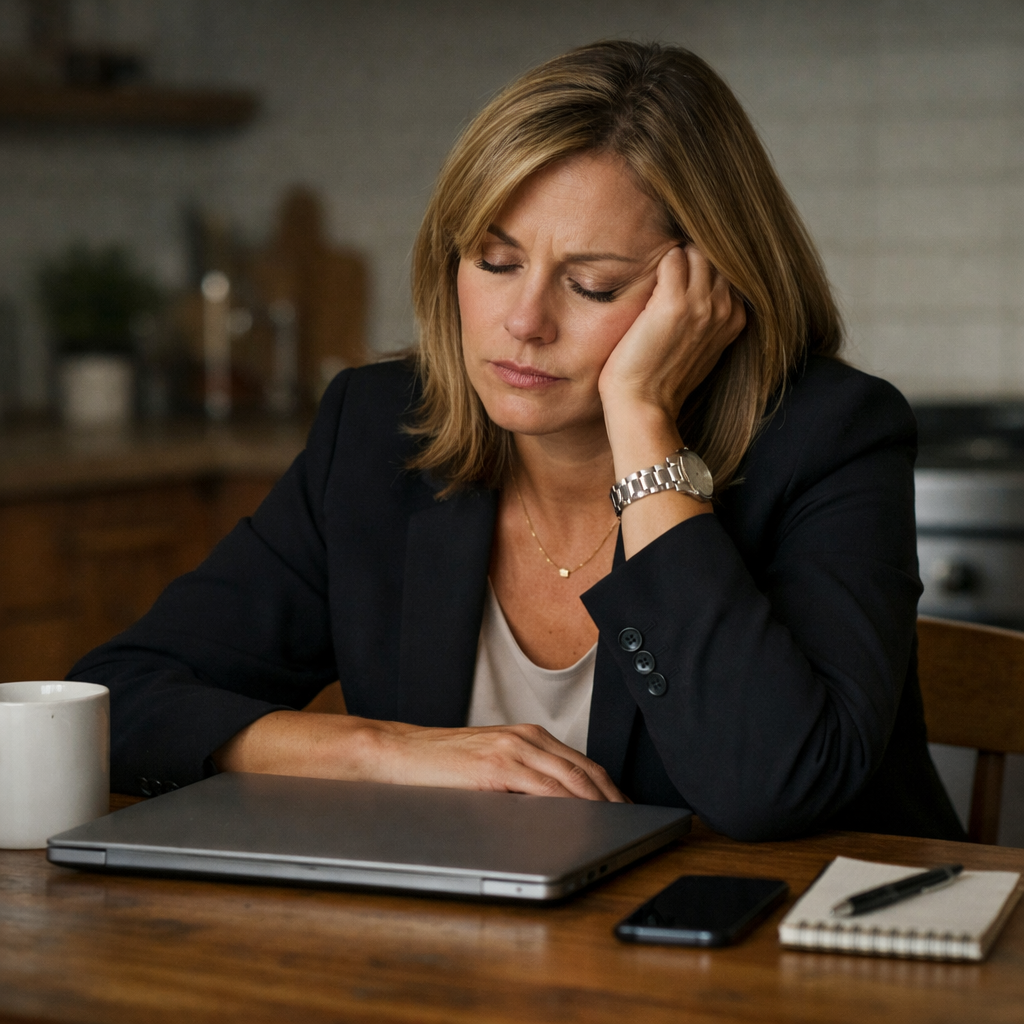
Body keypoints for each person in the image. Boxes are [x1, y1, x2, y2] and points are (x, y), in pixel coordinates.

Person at [70, 41, 965, 842]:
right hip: (475, 961)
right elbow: (118, 704)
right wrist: (389, 753)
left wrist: (644, 423)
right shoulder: (376, 429)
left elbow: (773, 787)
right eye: (495, 264)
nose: (524, 322)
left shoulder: (828, 439)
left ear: (706, 296)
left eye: (595, 285)